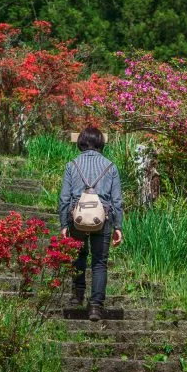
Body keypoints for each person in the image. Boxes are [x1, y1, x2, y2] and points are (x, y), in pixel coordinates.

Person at [58, 125, 123, 320]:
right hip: (102, 218)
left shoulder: (72, 165)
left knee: (79, 255)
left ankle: (77, 295)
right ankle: (95, 306)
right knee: (99, 262)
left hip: (76, 218)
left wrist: (63, 224)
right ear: (100, 143)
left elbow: (64, 198)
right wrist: (118, 226)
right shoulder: (110, 166)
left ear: (82, 142)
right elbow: (117, 200)